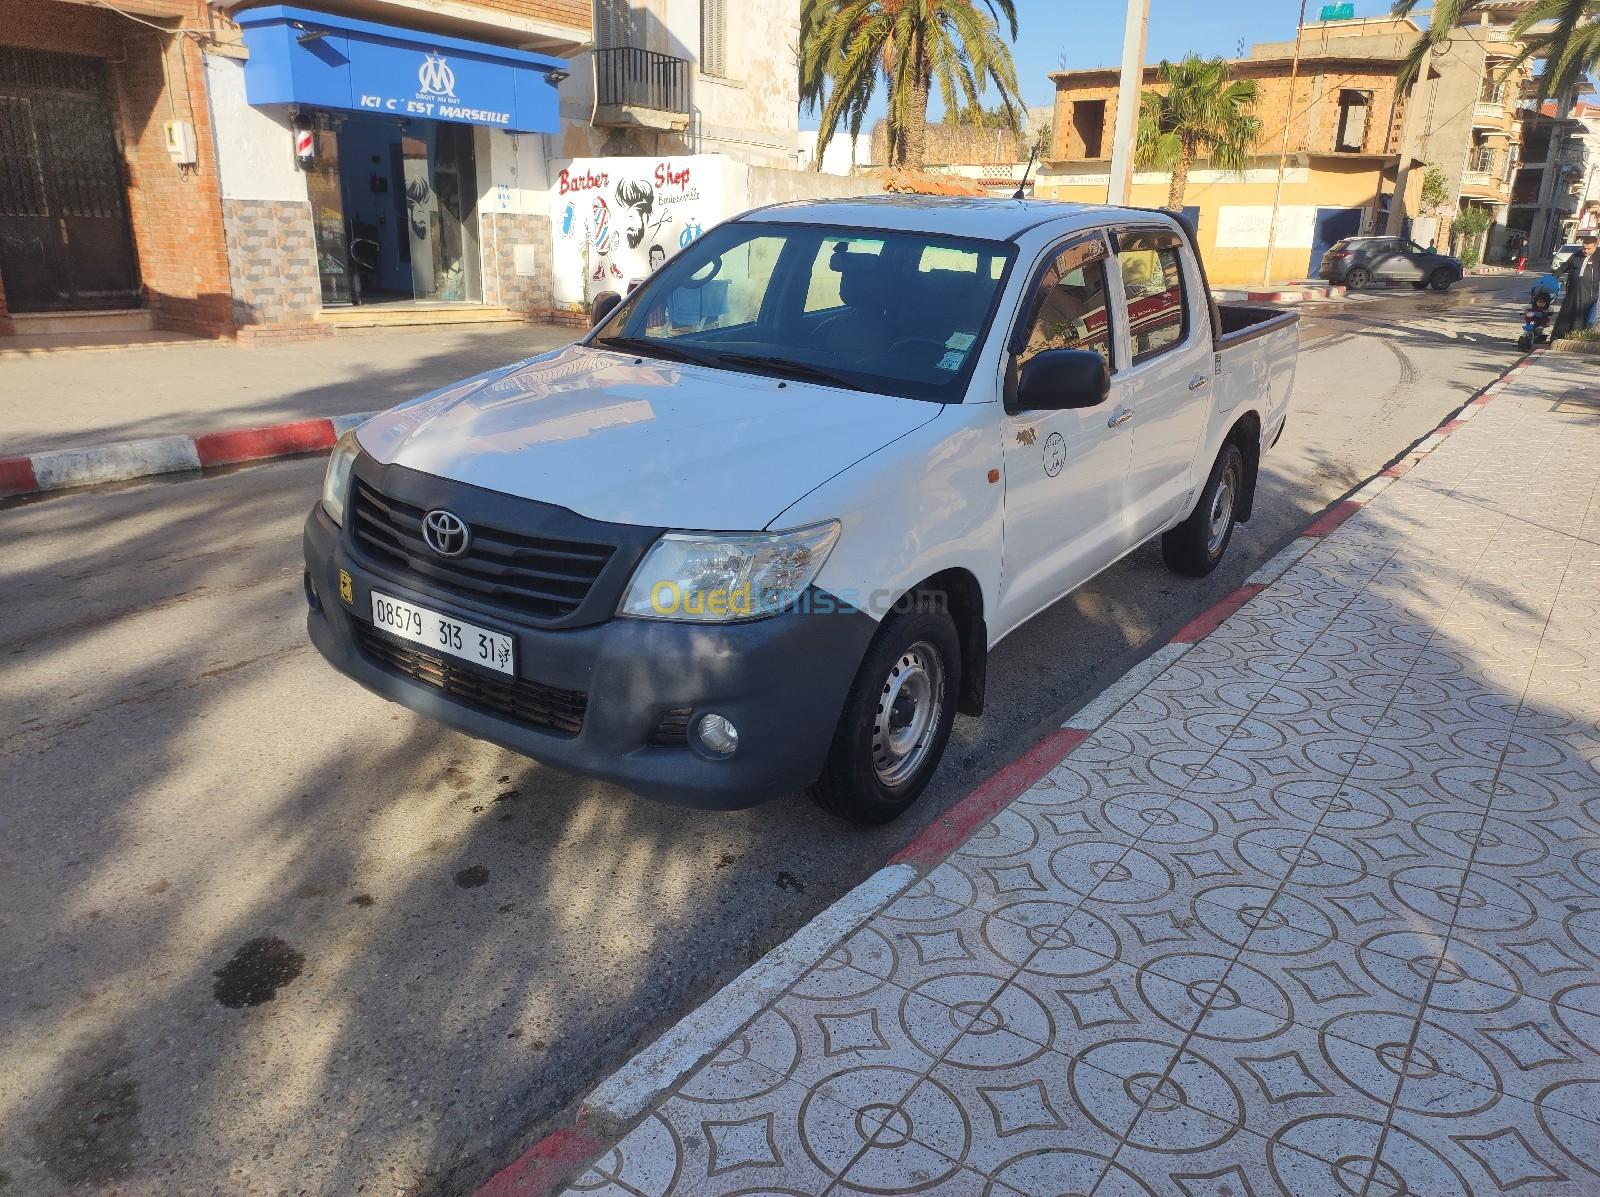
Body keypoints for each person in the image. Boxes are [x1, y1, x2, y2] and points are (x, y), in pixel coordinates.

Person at [1554, 234, 1599, 337]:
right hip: (1572, 293)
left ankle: (1578, 338)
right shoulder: (1576, 255)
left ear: (1595, 246)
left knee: (1582, 318)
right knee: (1566, 317)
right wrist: (1553, 278)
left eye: (1589, 249)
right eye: (1584, 248)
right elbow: (1563, 267)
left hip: (1590, 295)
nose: (1586, 251)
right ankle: (1561, 337)